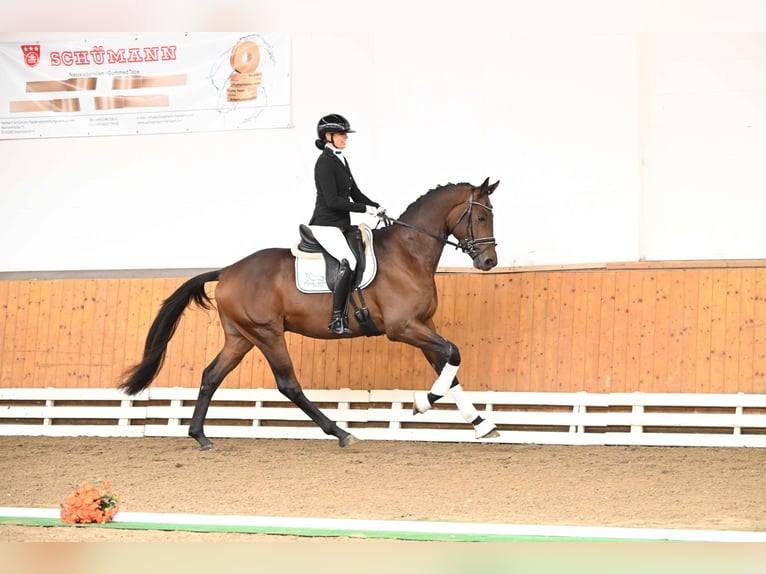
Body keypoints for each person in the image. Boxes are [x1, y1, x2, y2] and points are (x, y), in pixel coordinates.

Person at [308, 113, 386, 335]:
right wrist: (364, 210)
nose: (346, 138)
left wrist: (376, 206)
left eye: (345, 134)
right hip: (325, 225)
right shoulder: (324, 163)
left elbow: (355, 193)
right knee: (349, 260)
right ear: (328, 135)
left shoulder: (340, 160)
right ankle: (336, 319)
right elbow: (333, 201)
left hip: (341, 225)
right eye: (342, 134)